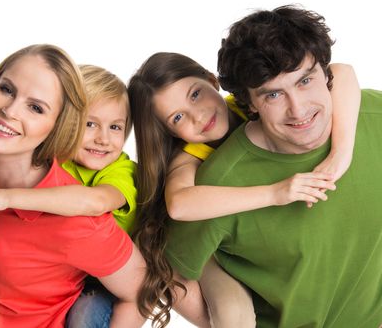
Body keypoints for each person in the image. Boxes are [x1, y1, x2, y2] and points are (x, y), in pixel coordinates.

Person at [0, 44, 163, 328]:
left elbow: (143, 290)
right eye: (6, 89)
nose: (8, 111)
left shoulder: (77, 223)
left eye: (35, 107)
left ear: (59, 126)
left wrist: (5, 198)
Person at [164, 5, 382, 326]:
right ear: (250, 104)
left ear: (326, 73)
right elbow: (172, 272)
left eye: (305, 80)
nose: (299, 109)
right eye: (274, 95)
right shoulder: (221, 182)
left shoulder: (373, 116)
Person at [128, 51, 359, 326]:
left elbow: (341, 72)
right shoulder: (189, 157)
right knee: (233, 315)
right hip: (207, 249)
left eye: (195, 95)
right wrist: (276, 192)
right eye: (178, 118)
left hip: (251, 236)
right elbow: (180, 204)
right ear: (169, 132)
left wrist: (340, 156)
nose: (198, 116)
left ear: (212, 80)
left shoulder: (248, 104)